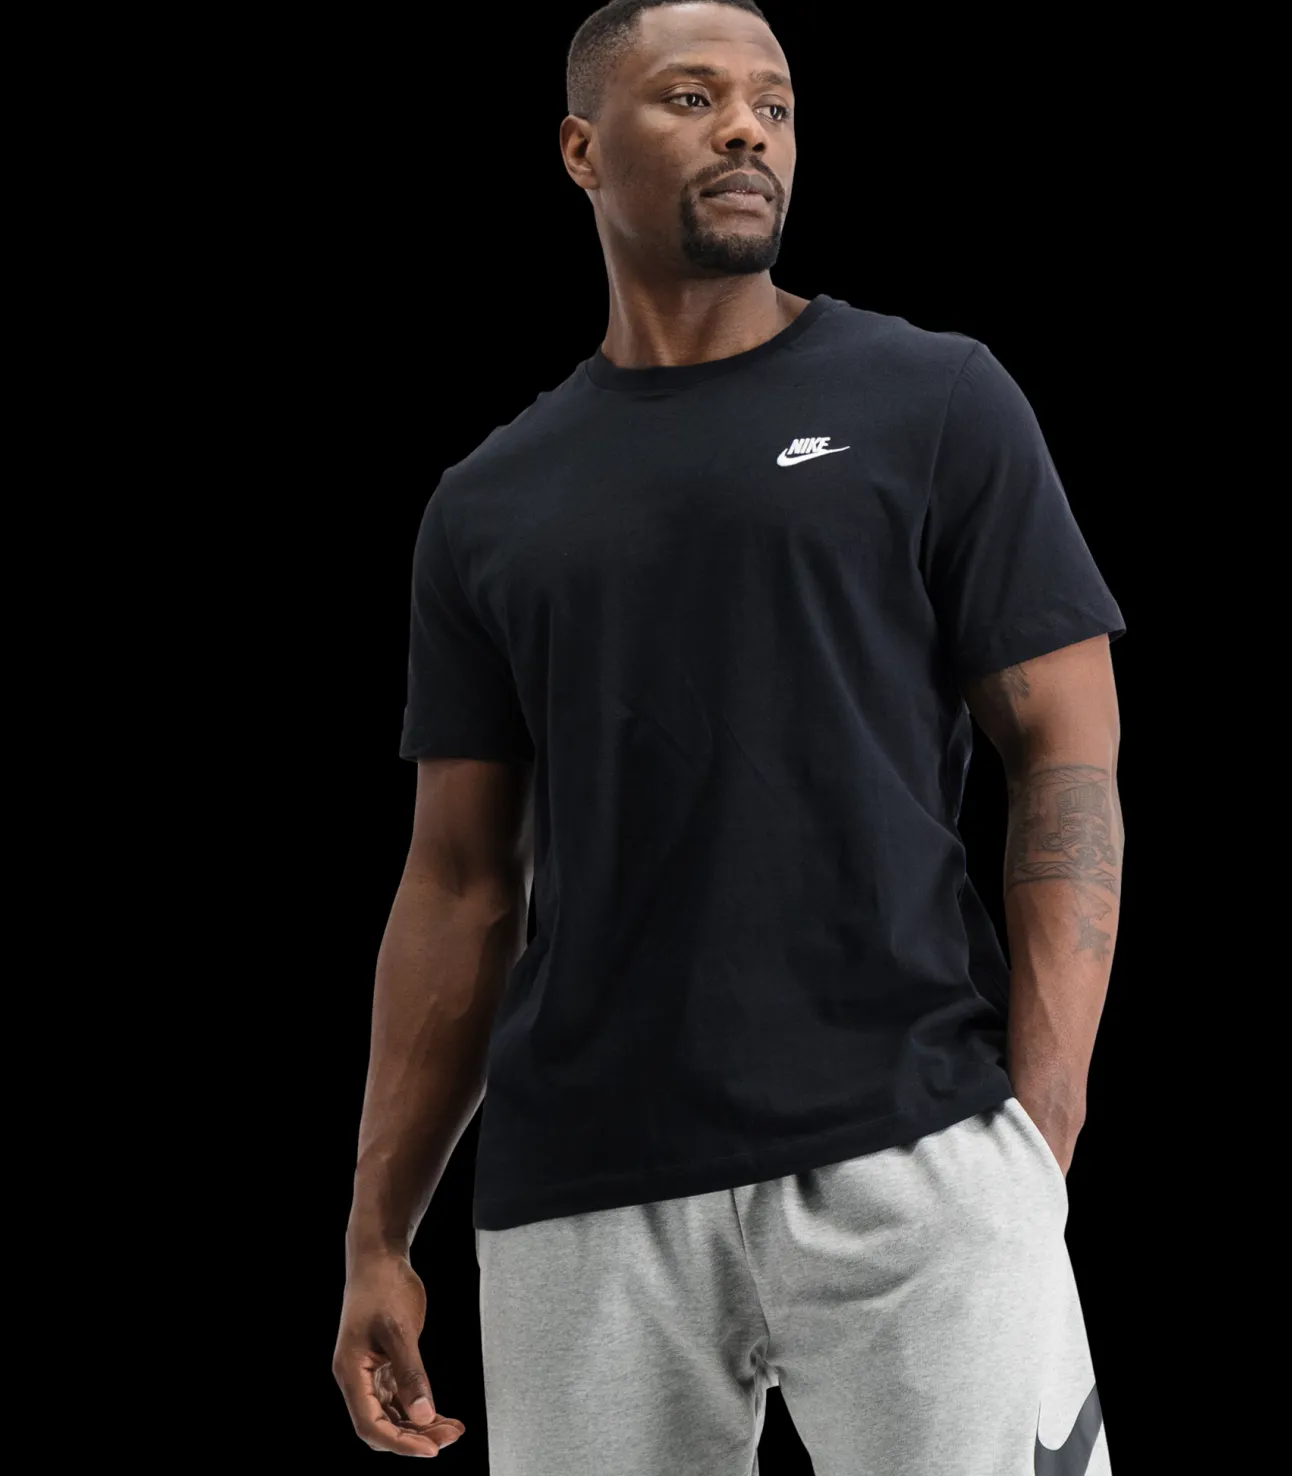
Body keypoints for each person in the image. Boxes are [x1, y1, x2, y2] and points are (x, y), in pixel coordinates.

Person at [332, 1, 1127, 1471]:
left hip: (916, 1154)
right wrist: (379, 1230)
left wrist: (1042, 1130)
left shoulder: (935, 399)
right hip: (583, 1197)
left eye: (775, 101)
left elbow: (1066, 760)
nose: (749, 129)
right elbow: (458, 881)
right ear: (581, 150)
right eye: (692, 98)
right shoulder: (488, 503)